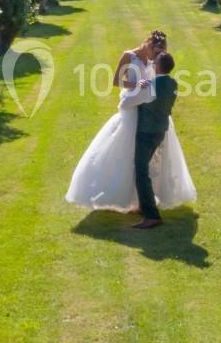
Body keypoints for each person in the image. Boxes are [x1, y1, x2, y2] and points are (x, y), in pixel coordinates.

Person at [65, 32, 195, 216]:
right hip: (131, 109)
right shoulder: (129, 56)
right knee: (124, 152)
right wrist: (135, 85)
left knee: (147, 159)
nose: (155, 57)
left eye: (159, 54)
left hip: (148, 110)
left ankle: (143, 201)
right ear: (147, 44)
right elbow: (116, 81)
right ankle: (126, 198)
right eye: (154, 51)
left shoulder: (154, 62)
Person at [125, 51, 180, 229]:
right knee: (143, 169)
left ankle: (151, 214)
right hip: (160, 129)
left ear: (157, 66)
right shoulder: (172, 82)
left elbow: (128, 103)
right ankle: (145, 205)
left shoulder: (150, 85)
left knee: (141, 171)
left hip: (146, 131)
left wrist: (135, 89)